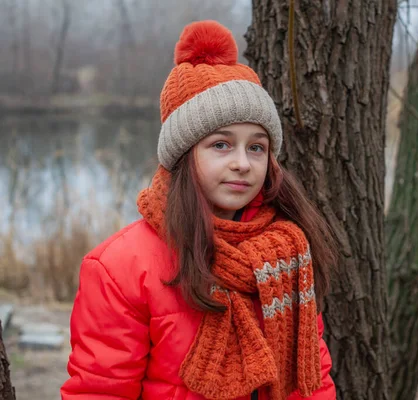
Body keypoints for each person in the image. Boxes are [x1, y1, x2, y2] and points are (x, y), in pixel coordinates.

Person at [61, 20, 337, 400]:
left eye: (256, 147)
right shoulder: (120, 268)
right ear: (183, 154)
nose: (243, 163)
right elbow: (99, 391)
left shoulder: (287, 253)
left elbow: (313, 382)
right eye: (221, 145)